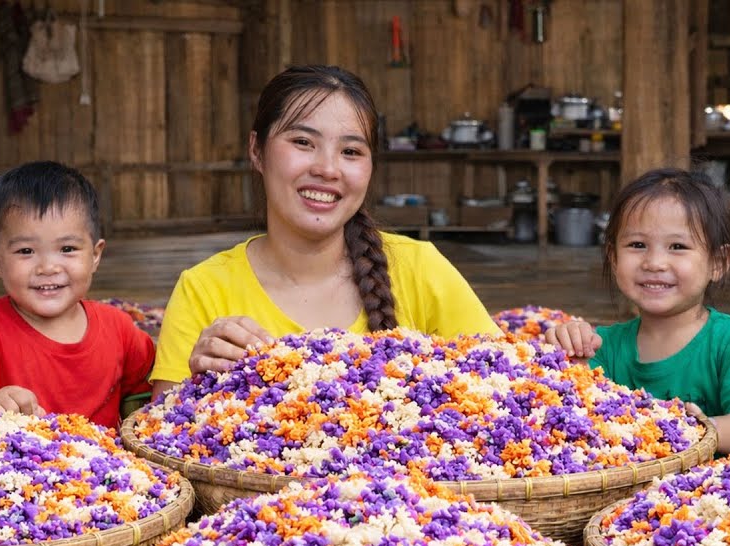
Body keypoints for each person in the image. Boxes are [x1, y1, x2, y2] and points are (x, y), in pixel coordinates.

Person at [150, 65, 498, 398]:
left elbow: (510, 382)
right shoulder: (204, 290)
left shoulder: (421, 270)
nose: (328, 169)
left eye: (350, 151)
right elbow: (160, 436)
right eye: (303, 142)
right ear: (257, 150)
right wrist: (196, 388)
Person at [549, 167, 730, 454]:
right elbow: (575, 417)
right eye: (637, 245)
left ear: (718, 262)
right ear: (613, 258)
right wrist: (567, 357)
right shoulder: (602, 346)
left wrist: (686, 431)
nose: (655, 262)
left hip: (708, 494)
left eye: (677, 246)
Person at [0, 161, 155, 427]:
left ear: (95, 255)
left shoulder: (119, 328)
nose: (48, 268)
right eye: (26, 251)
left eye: (67, 249)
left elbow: (151, 394)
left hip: (108, 465)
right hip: (16, 465)